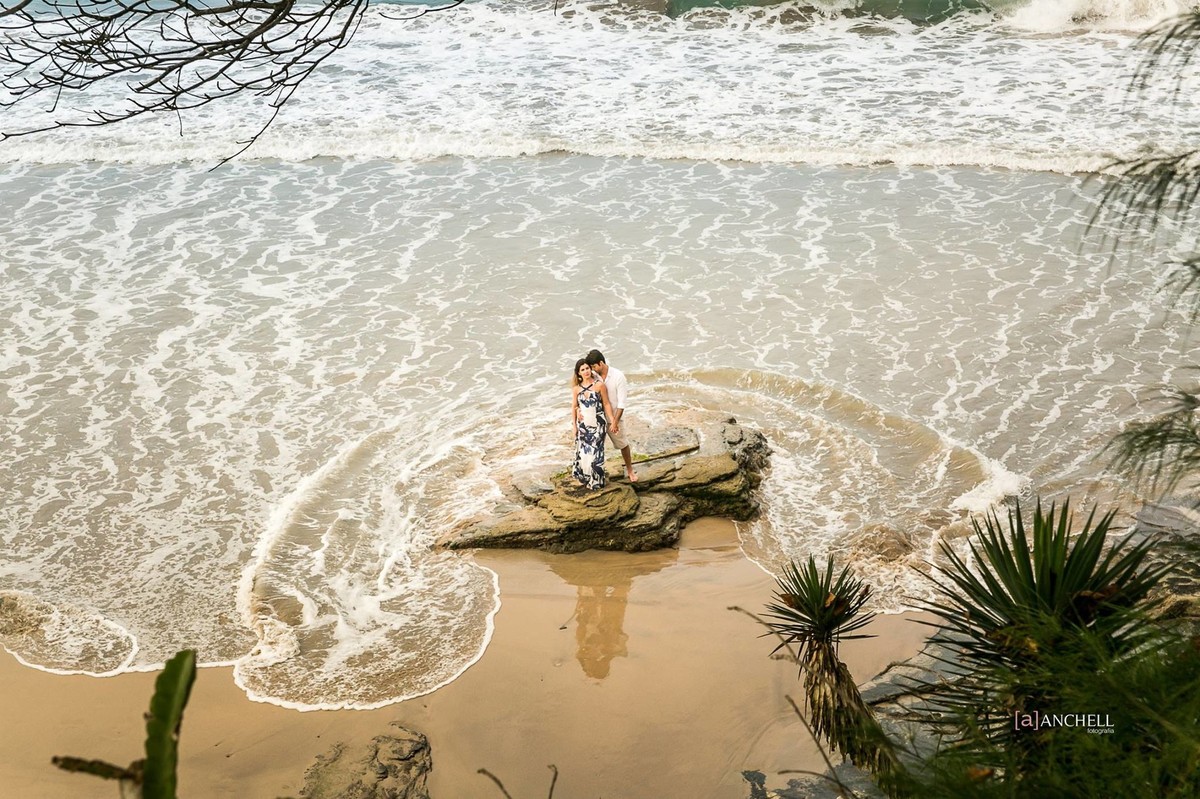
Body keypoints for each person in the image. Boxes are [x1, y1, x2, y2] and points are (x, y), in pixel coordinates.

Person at [585, 349, 637, 482]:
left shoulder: (618, 376)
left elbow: (621, 403)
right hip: (597, 418)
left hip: (614, 416)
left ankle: (630, 470)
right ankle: (595, 474)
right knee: (596, 448)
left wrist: (614, 422)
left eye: (594, 366)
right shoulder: (594, 376)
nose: (592, 370)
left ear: (601, 363)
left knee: (622, 444)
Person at [571, 358, 619, 490]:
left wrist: (613, 421)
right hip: (583, 425)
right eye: (582, 370)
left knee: (596, 453)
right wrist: (574, 426)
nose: (586, 371)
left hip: (599, 423)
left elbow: (606, 403)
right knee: (584, 453)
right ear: (578, 373)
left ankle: (596, 481)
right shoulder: (576, 389)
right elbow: (574, 407)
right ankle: (586, 478)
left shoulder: (599, 385)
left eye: (587, 368)